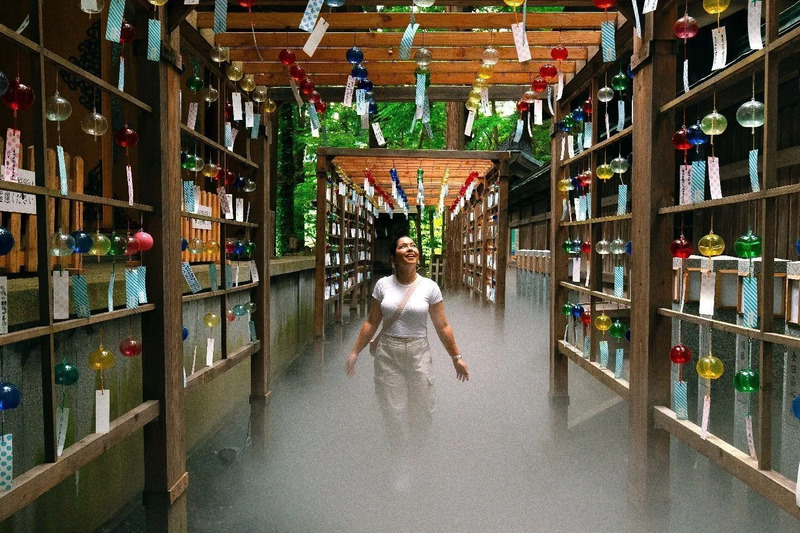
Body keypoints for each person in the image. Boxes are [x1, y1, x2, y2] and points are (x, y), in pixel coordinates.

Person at [345, 236, 469, 489]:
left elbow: (442, 325)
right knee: (393, 410)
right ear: (394, 258)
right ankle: (402, 463)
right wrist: (355, 352)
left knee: (422, 411)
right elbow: (372, 321)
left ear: (417, 256)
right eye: (403, 246)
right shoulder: (383, 286)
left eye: (413, 245)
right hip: (388, 352)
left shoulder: (429, 287)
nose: (410, 248)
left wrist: (456, 357)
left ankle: (417, 457)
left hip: (418, 352)